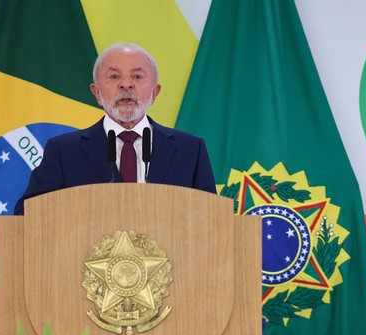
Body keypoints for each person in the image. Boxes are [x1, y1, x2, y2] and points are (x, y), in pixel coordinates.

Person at [13, 42, 216, 215]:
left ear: (155, 92)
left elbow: (212, 218)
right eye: (114, 77)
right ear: (97, 93)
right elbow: (28, 214)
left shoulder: (190, 150)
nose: (126, 85)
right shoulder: (64, 152)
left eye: (137, 77)